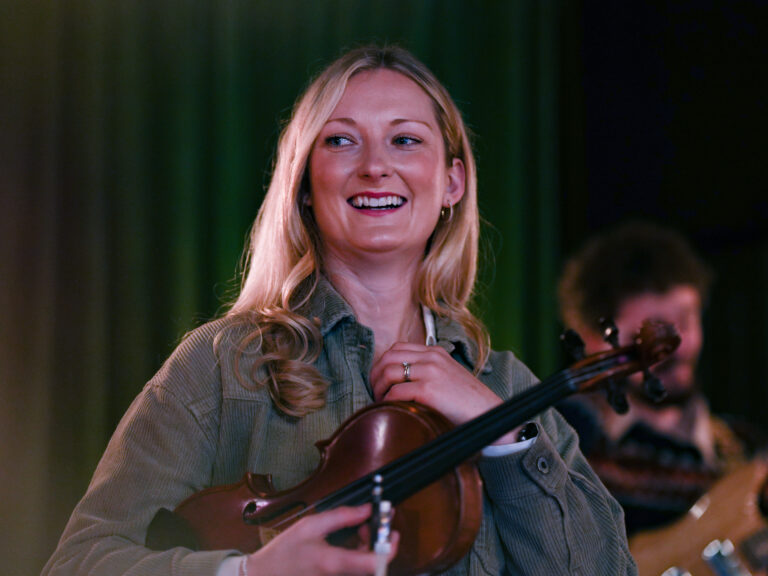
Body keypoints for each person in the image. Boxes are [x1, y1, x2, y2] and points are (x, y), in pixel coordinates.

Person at [42, 45, 635, 576]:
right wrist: (249, 575)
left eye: (405, 140)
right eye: (341, 140)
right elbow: (79, 562)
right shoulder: (224, 368)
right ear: (304, 182)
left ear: (452, 182)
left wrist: (506, 430)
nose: (375, 166)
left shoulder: (504, 385)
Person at [557, 220, 760, 536]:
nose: (677, 347)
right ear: (595, 341)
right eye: (651, 333)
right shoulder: (563, 441)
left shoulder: (744, 452)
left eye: (685, 321)